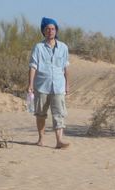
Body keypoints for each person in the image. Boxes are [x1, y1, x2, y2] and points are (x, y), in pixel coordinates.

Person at [28, 17, 70, 149]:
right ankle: (41, 139)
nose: (50, 31)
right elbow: (33, 66)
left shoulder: (63, 47)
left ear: (56, 30)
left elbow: (66, 67)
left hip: (58, 86)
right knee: (40, 114)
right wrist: (30, 84)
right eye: (47, 29)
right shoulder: (38, 47)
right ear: (43, 31)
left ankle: (59, 140)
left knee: (59, 114)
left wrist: (67, 84)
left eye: (52, 29)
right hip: (42, 86)